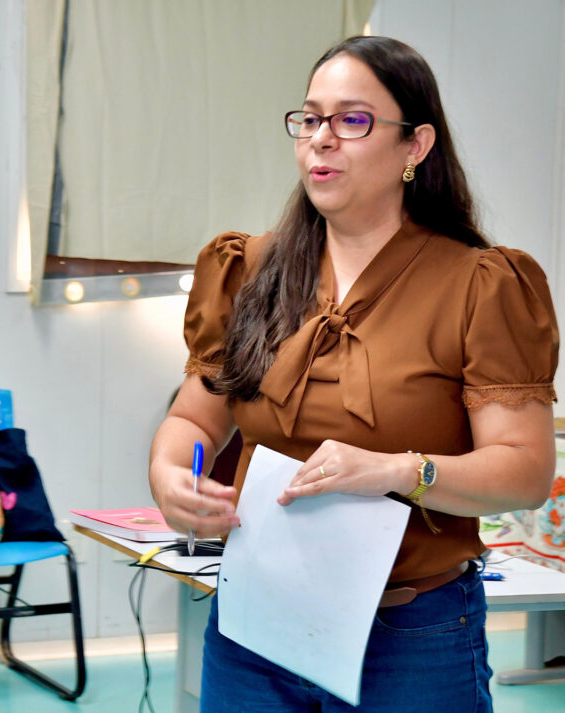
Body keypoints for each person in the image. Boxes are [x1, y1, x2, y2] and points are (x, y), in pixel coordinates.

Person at [148, 35, 557, 712]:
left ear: (414, 147)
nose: (321, 140)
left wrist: (401, 470)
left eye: (352, 120)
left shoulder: (480, 285)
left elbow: (524, 470)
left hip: (410, 636)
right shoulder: (250, 270)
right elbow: (193, 418)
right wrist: (169, 477)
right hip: (255, 627)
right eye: (309, 119)